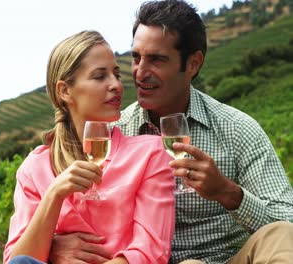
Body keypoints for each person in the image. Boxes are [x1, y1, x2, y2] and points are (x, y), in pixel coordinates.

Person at [49, 1, 293, 264]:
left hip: (234, 259)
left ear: (192, 64)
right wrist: (52, 245)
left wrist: (228, 193)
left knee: (280, 233)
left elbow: (287, 221)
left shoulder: (236, 129)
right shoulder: (111, 134)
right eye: (135, 58)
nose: (140, 73)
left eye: (156, 60)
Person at [3, 30, 176, 264]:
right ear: (64, 91)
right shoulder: (34, 169)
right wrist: (54, 195)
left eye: (116, 74)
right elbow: (17, 260)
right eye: (99, 76)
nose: (116, 85)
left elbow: (150, 253)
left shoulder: (150, 154)